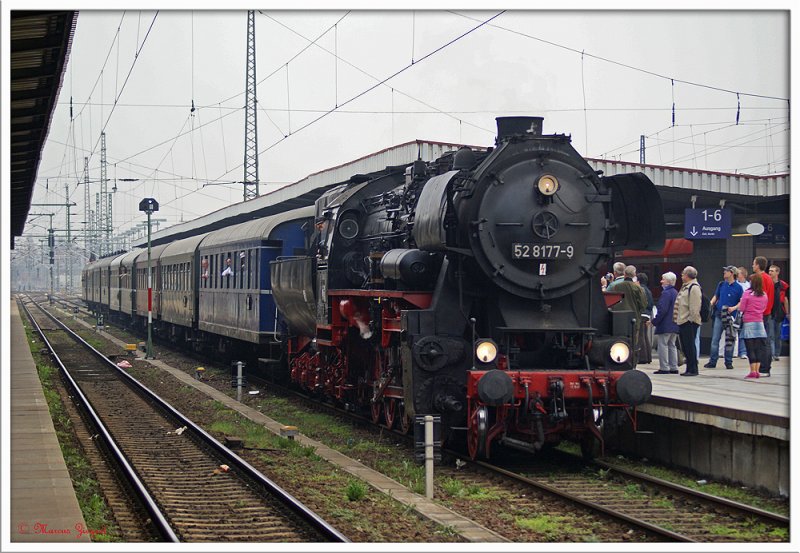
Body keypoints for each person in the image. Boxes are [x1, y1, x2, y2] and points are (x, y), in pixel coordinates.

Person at [729, 273, 769, 379]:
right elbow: (764, 308)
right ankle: (757, 371)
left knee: (750, 348)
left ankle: (752, 371)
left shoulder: (747, 293)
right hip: (759, 322)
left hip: (749, 322)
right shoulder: (764, 295)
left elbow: (742, 308)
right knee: (758, 348)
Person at [704, 266, 743, 370]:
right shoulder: (721, 284)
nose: (724, 272)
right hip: (719, 314)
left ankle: (728, 361)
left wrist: (733, 308)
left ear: (732, 273)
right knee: (715, 339)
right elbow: (716, 296)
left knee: (730, 339)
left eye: (726, 271)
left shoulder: (738, 287)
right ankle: (713, 361)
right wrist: (710, 304)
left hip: (731, 316)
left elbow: (741, 301)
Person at [609, 265, 648, 365]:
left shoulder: (615, 286)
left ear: (625, 274)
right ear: (634, 275)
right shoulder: (638, 288)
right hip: (634, 319)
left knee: (619, 340)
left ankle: (620, 361)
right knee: (633, 342)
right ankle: (632, 363)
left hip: (618, 318)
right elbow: (643, 305)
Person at [674, 266, 702, 376]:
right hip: (683, 321)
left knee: (690, 346)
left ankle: (693, 369)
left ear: (687, 275)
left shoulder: (694, 288)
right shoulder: (686, 286)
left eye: (683, 274)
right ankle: (689, 368)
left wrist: (691, 319)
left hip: (689, 322)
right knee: (685, 346)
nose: (681, 276)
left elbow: (695, 306)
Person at [653, 271, 679, 374]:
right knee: (672, 345)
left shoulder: (666, 293)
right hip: (674, 323)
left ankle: (664, 367)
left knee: (663, 345)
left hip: (665, 324)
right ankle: (674, 366)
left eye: (663, 279)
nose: (661, 281)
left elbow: (662, 309)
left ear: (668, 281)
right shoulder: (676, 292)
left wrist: (655, 321)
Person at [752, 256, 774, 374]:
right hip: (766, 312)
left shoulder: (760, 278)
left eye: (754, 264)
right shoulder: (768, 278)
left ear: (758, 265)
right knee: (765, 340)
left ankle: (764, 366)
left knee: (761, 341)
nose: (752, 266)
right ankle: (765, 366)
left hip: (760, 313)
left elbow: (760, 296)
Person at [636, 272, 655, 364]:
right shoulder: (648, 290)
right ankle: (648, 356)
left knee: (640, 336)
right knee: (645, 336)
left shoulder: (641, 289)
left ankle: (642, 357)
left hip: (641, 314)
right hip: (647, 314)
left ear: (638, 280)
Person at [735, 266, 750, 359]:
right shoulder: (735, 284)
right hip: (736, 310)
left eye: (739, 273)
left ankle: (743, 351)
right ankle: (734, 351)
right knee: (734, 331)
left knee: (744, 331)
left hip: (745, 311)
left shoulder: (749, 285)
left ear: (743, 275)